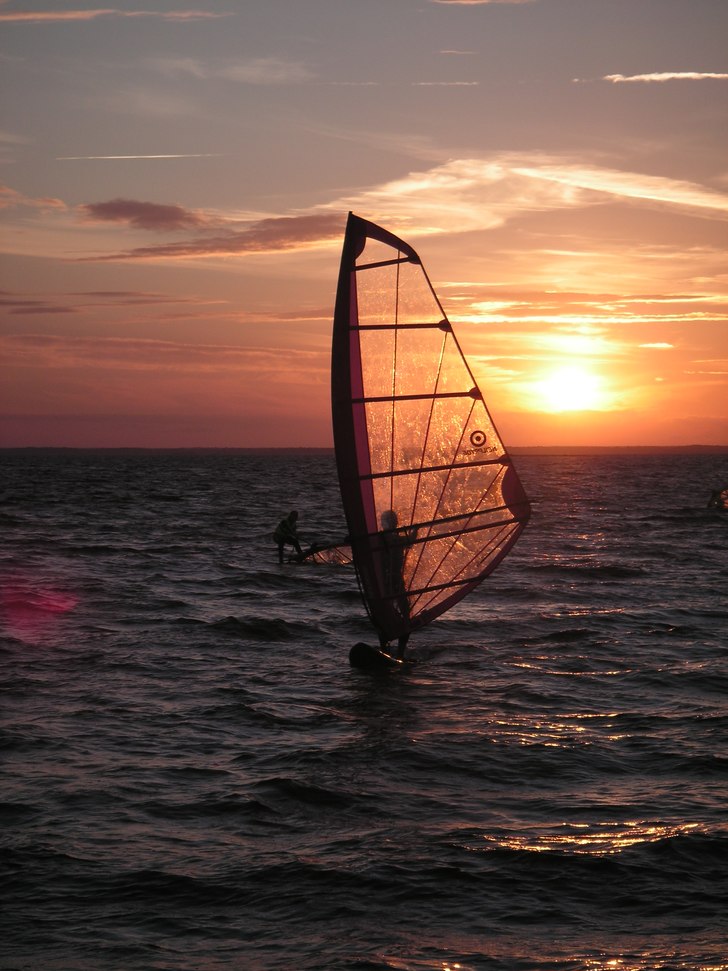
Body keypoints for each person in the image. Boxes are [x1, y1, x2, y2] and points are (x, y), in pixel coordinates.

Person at [378, 509, 417, 658]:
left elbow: (410, 541)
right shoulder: (383, 538)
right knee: (399, 616)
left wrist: (415, 530)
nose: (392, 523)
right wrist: (415, 530)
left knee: (404, 616)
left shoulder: (390, 538)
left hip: (393, 581)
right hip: (387, 582)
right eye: (389, 521)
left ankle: (394, 651)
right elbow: (410, 540)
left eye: (392, 520)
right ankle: (391, 650)